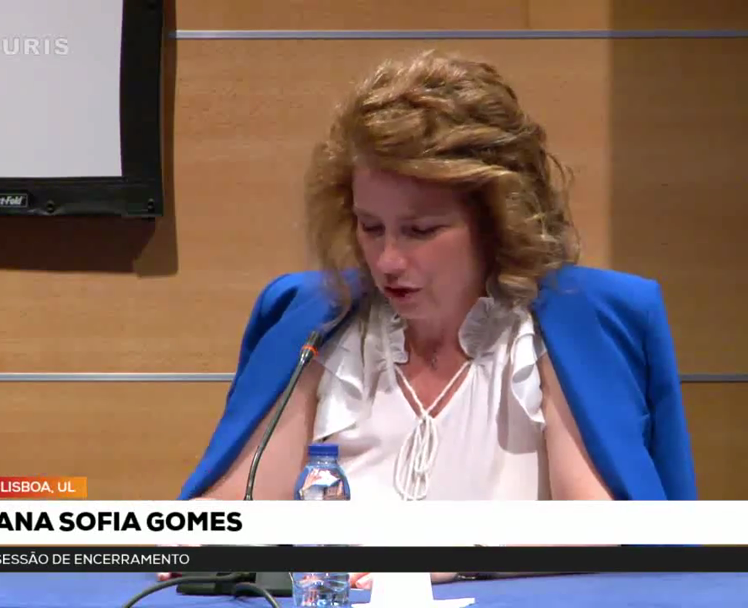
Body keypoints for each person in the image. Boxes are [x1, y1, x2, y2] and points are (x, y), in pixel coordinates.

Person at [167, 50, 697, 586]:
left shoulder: (555, 330)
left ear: (497, 222)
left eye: (420, 231)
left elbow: (597, 527)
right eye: (371, 227)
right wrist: (197, 536)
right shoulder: (322, 324)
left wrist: (443, 558)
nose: (388, 260)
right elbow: (234, 508)